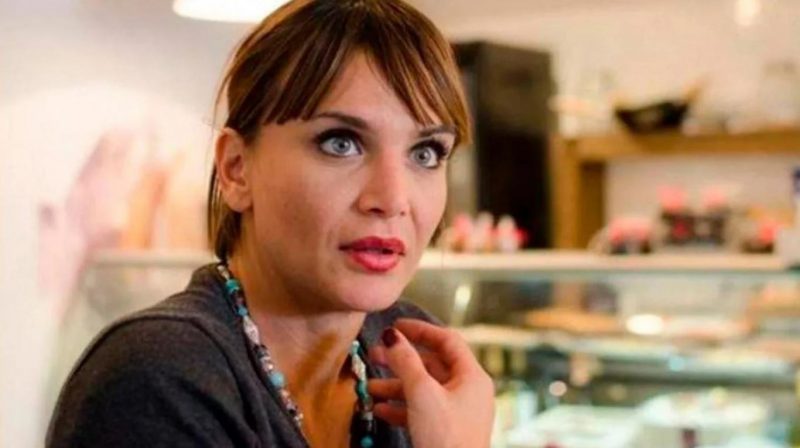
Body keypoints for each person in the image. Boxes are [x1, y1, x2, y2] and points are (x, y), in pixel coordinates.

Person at [46, 0, 495, 446]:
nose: (394, 200)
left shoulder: (413, 357)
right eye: (341, 143)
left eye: (425, 153)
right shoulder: (155, 378)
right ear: (236, 169)